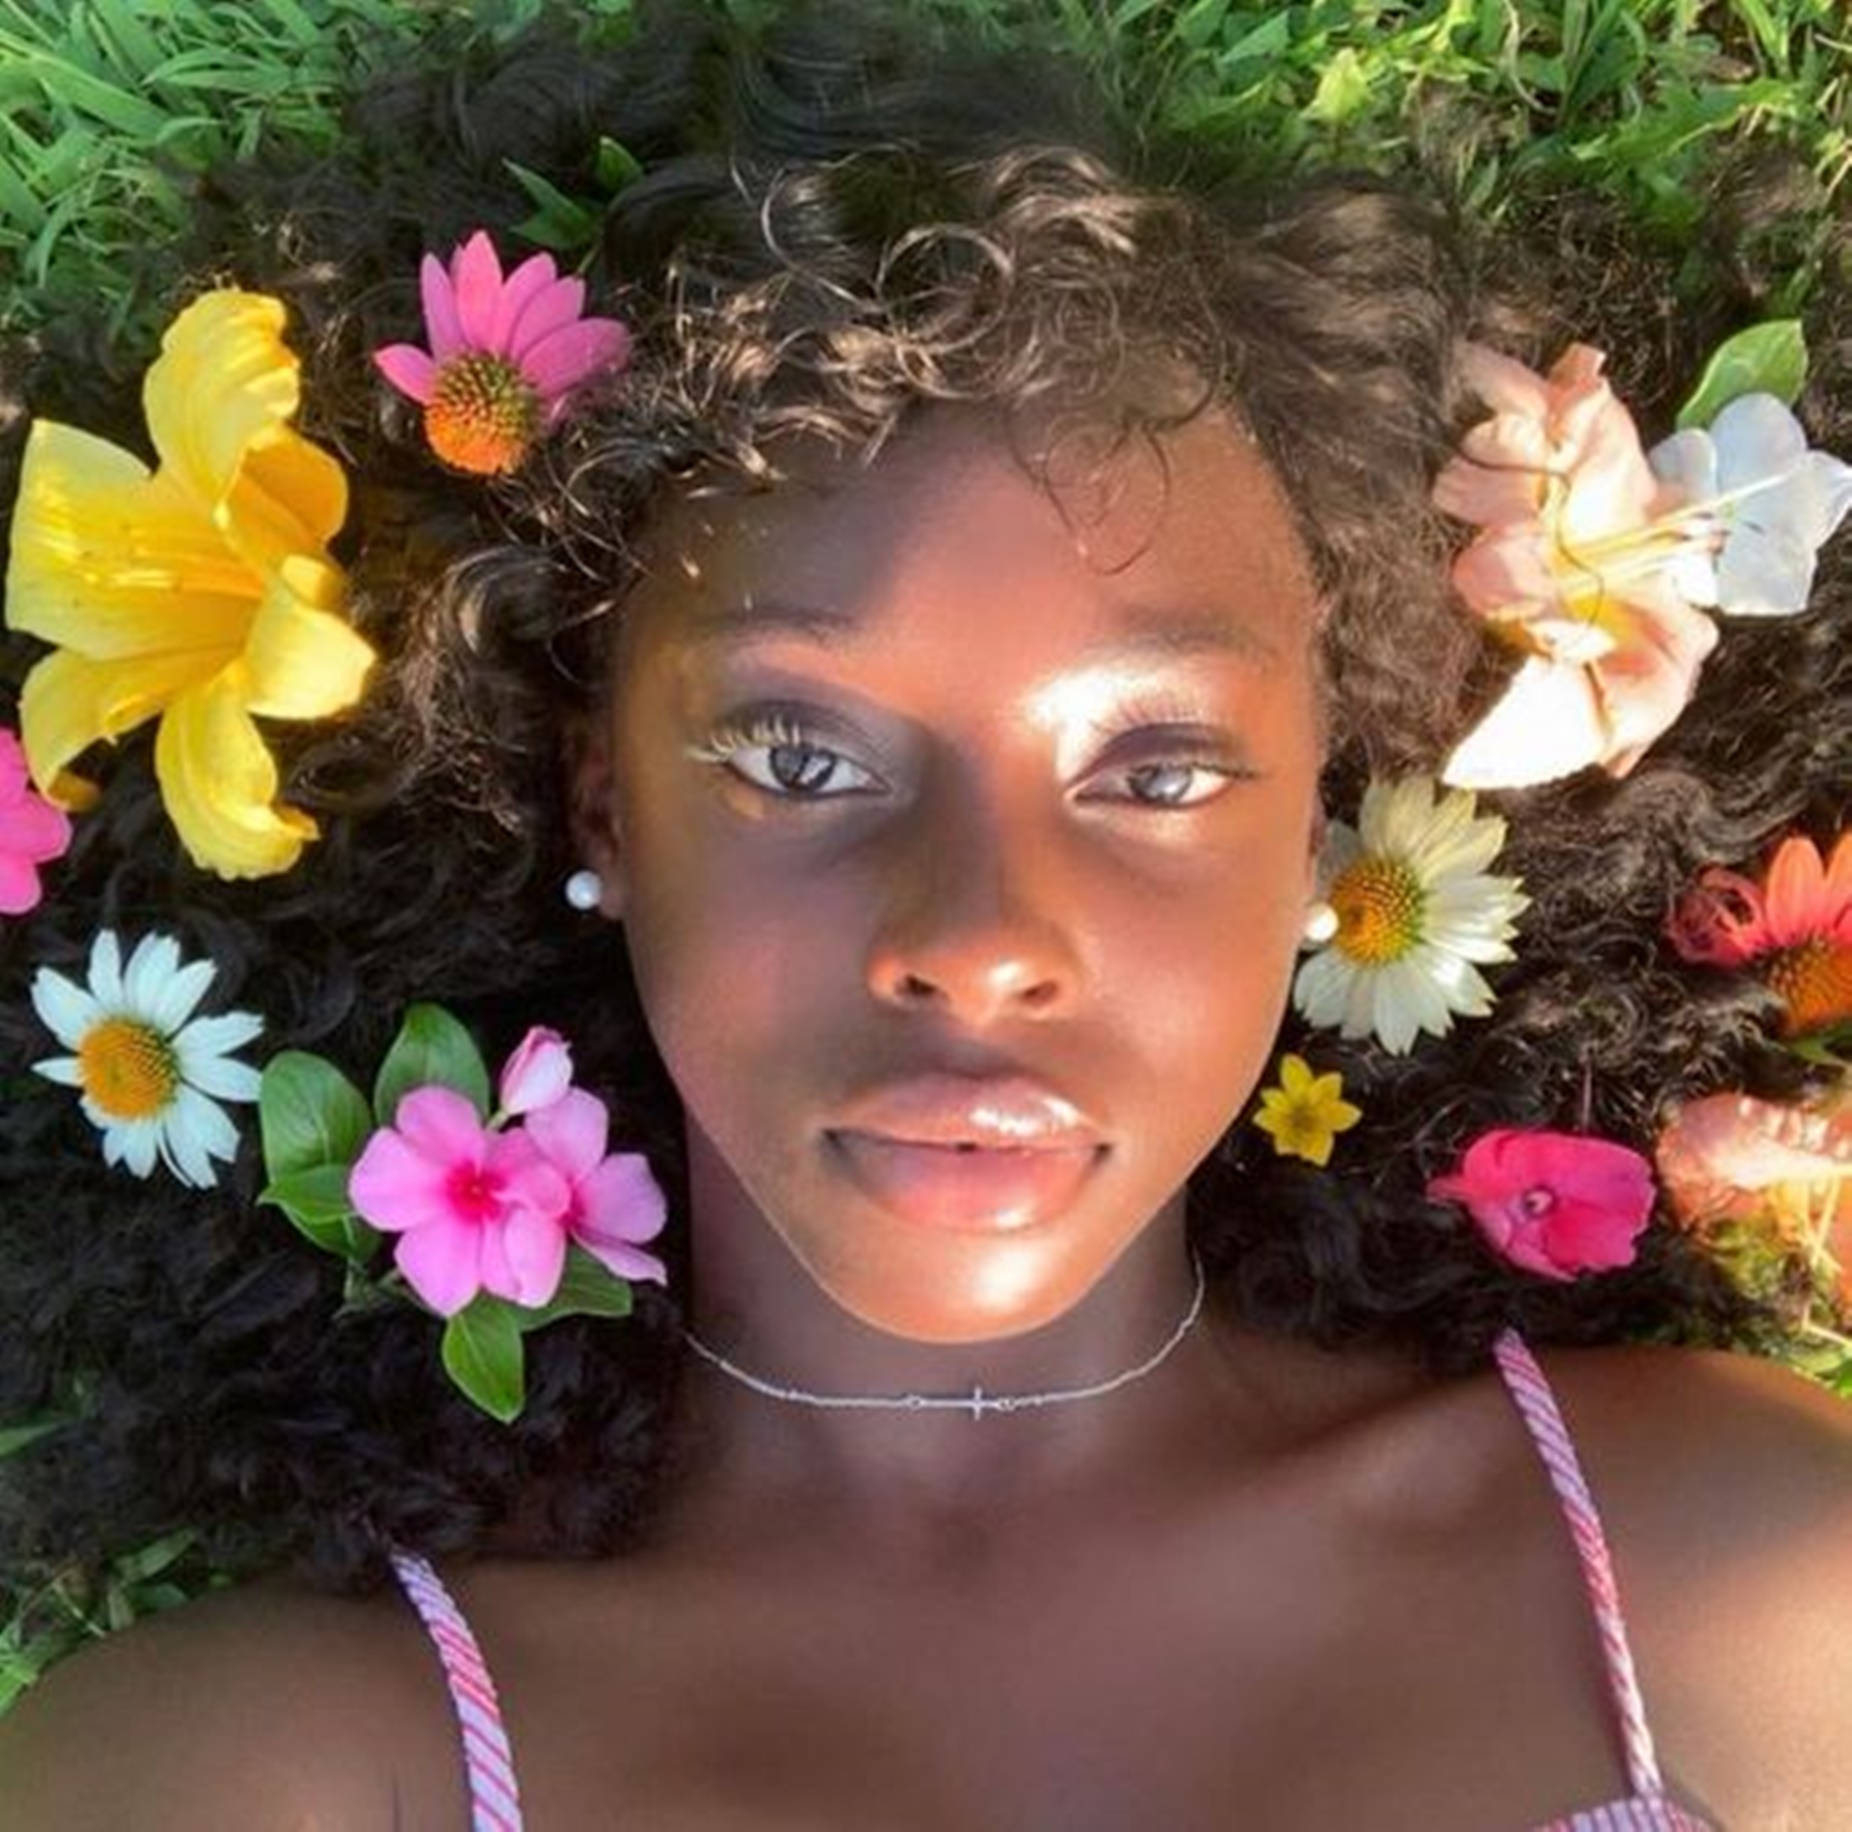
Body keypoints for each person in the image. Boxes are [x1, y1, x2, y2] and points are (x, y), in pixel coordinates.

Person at [3, 2, 1852, 1825]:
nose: (978, 936)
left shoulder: (1737, 1585)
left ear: (1320, 838)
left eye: (1158, 771)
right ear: (603, 803)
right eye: (801, 761)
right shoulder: (263, 1770)